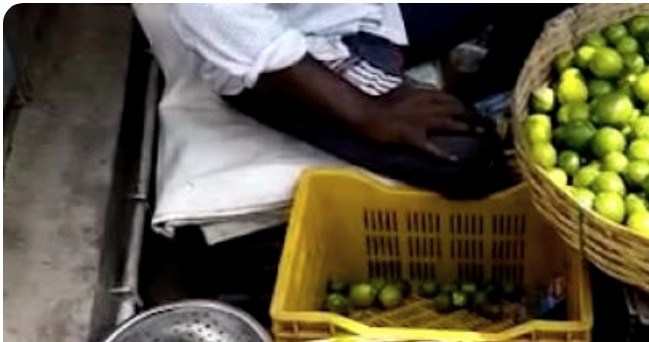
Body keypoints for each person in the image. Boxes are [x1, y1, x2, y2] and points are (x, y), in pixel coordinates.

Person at [168, 4, 568, 199]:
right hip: (302, 53)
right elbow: (249, 37)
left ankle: (492, 84)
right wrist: (371, 114)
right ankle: (458, 103)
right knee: (461, 151)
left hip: (375, 7)